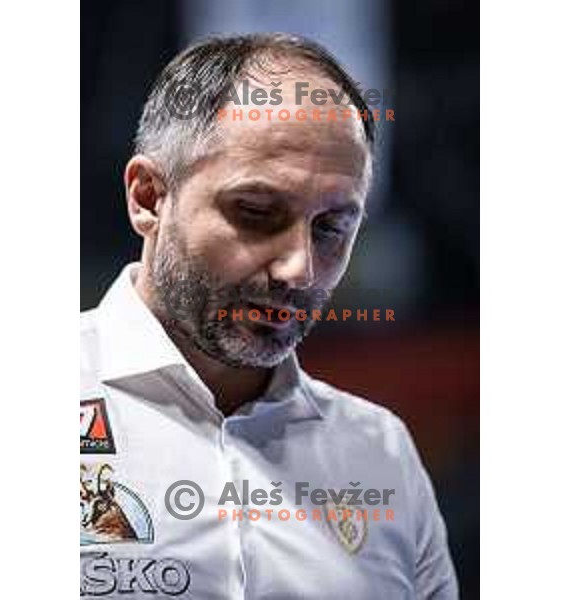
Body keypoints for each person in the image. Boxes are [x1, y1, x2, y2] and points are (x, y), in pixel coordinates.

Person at [80, 33, 458, 599]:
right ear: (149, 197)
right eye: (256, 213)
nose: (299, 269)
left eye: (332, 228)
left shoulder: (381, 452)